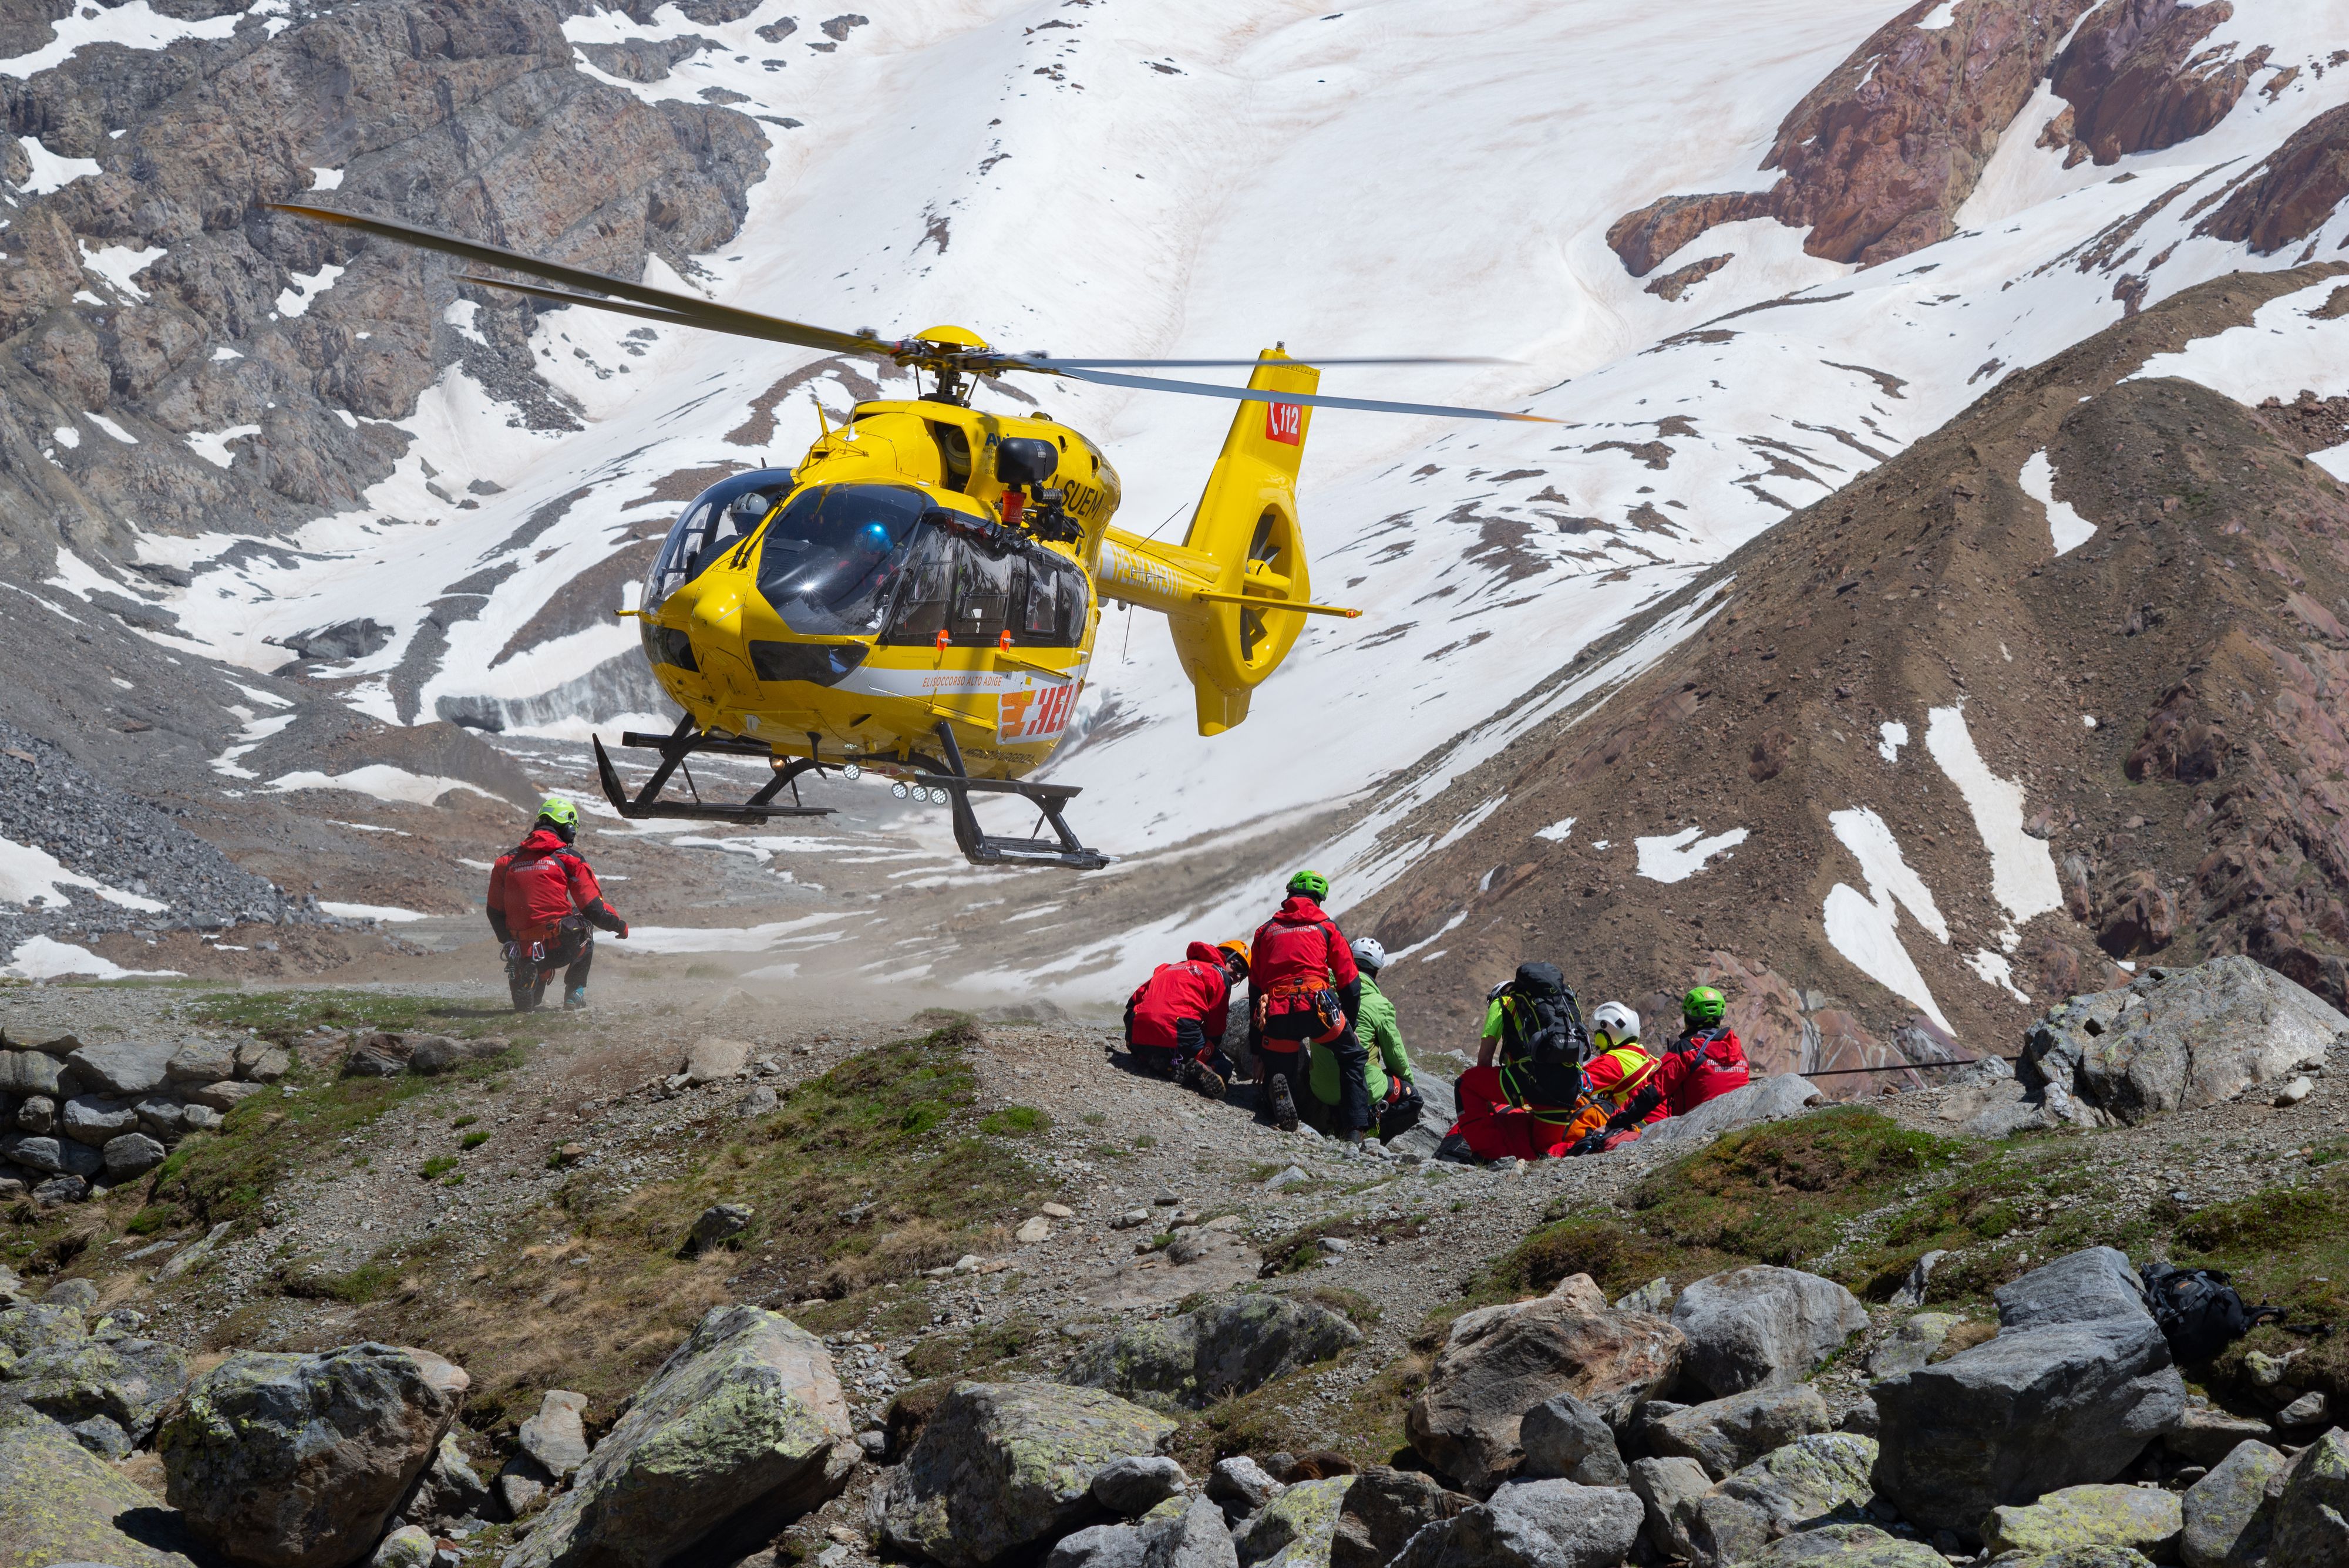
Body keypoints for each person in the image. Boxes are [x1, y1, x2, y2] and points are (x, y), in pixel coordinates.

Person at [487, 797, 628, 1011]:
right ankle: (574, 993)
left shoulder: (505, 862)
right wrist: (619, 925)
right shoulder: (570, 859)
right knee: (585, 928)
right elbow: (593, 909)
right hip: (559, 945)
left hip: (520, 947)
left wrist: (509, 942)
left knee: (531, 998)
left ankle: (529, 975)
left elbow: (494, 911)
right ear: (568, 828)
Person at [1441, 963, 1589, 1162]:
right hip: (1568, 1086)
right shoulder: (1561, 1002)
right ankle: (1591, 1147)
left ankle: (1490, 1155)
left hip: (1533, 1081)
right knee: (1543, 1150)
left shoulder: (1502, 1003)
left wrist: (1487, 1099)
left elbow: (1484, 1059)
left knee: (1465, 1084)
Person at [1250, 870, 1360, 1135]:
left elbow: (1255, 989)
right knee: (1352, 1056)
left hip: (1277, 1010)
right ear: (1318, 900)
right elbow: (1350, 984)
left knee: (1280, 1064)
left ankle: (1278, 1102)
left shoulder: (1265, 931)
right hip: (1318, 1008)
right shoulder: (1327, 927)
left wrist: (1257, 1050)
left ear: (1289, 895)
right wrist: (1350, 1026)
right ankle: (1355, 1129)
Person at [1307, 937, 1419, 1144]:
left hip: (1320, 1089)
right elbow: (1395, 1056)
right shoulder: (1380, 1005)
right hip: (1364, 1090)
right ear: (1376, 972)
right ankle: (1375, 1136)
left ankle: (1329, 1120)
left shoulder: (1322, 991)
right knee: (1412, 1098)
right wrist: (1408, 1083)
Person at [1125, 940, 1249, 1096]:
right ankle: (1197, 1071)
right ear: (1225, 957)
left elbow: (1134, 1001)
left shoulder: (1170, 967)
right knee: (1224, 1066)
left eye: (1242, 976)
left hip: (1137, 1032)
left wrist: (1131, 1033)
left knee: (1162, 1044)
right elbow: (1215, 1029)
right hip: (1179, 1030)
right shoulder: (1219, 975)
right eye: (1237, 968)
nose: (1238, 977)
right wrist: (1208, 1048)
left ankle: (1149, 1056)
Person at [1561, 1004, 1667, 1154]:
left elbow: (1573, 1085)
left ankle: (1558, 1150)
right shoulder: (1646, 1056)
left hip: (1642, 1128)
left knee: (1583, 1107)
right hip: (1664, 1126)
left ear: (1606, 1036)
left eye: (1598, 1034)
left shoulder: (1614, 1061)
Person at [1654, 985, 1752, 1115]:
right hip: (1742, 1120)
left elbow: (1653, 1090)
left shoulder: (1686, 1049)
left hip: (1693, 1124)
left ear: (1688, 1018)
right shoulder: (1739, 1050)